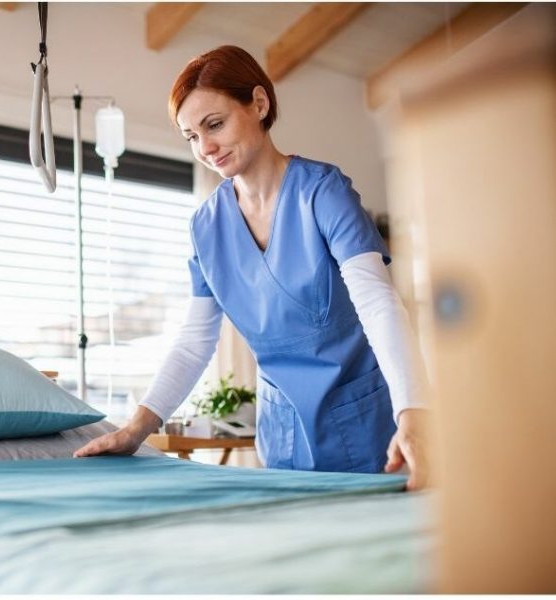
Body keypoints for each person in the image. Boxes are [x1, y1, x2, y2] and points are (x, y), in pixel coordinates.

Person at [75, 45, 430, 490]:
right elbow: (194, 342)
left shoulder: (322, 192)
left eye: (214, 124)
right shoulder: (206, 227)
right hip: (281, 430)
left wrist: (413, 411)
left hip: (364, 423)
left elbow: (377, 302)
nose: (205, 147)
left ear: (259, 104)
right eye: (190, 136)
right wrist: (135, 429)